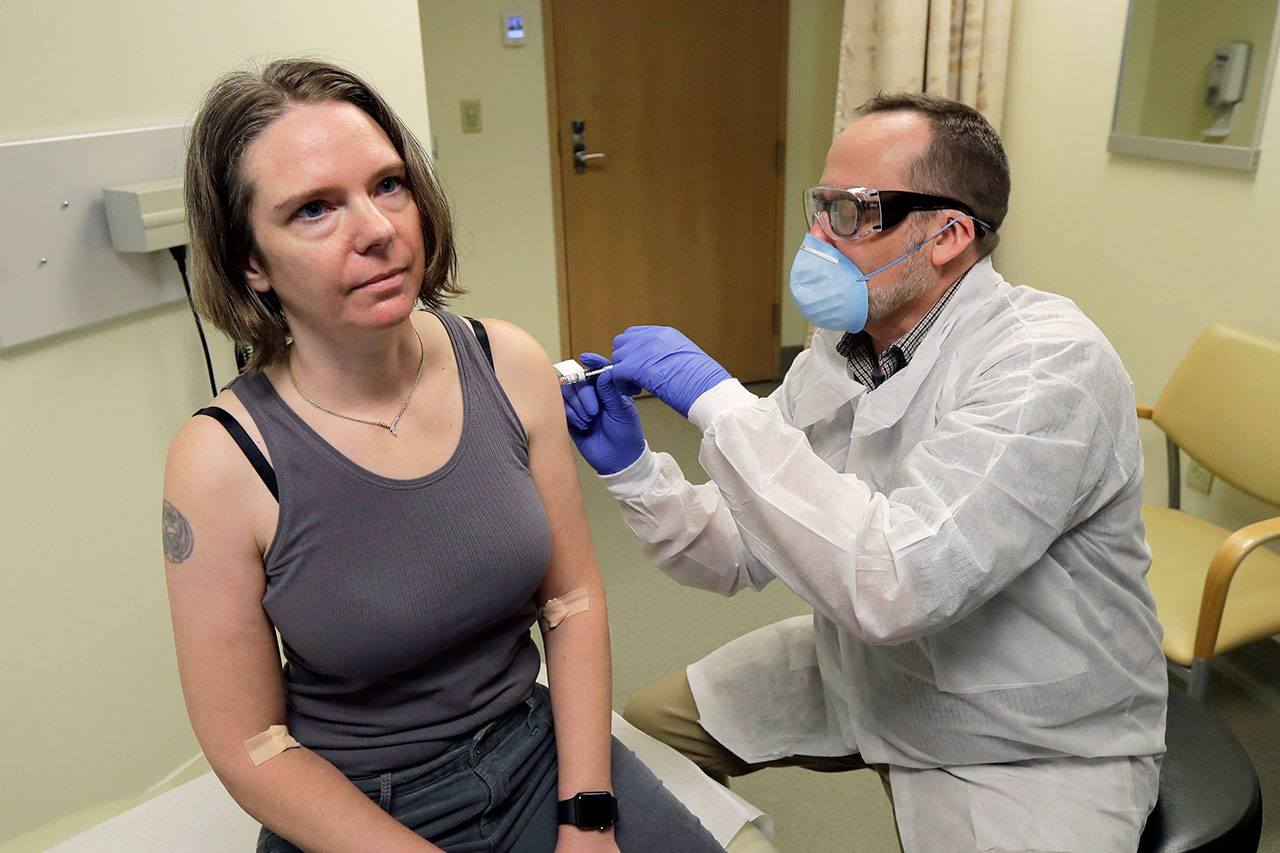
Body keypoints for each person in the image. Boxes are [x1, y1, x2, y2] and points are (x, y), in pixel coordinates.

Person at [562, 93, 1167, 852]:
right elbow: (736, 549)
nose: (818, 235)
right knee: (649, 741)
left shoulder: (1047, 363)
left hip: (1025, 731)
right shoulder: (842, 350)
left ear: (949, 235)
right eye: (820, 206)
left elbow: (900, 581)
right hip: (870, 667)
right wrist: (635, 471)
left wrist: (724, 407)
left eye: (853, 212)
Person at [162, 58, 725, 853]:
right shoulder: (222, 461)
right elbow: (249, 747)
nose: (378, 229)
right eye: (316, 209)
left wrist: (588, 818)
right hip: (361, 810)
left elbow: (573, 601)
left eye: (388, 185)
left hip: (536, 754)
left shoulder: (509, 364)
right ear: (250, 261)